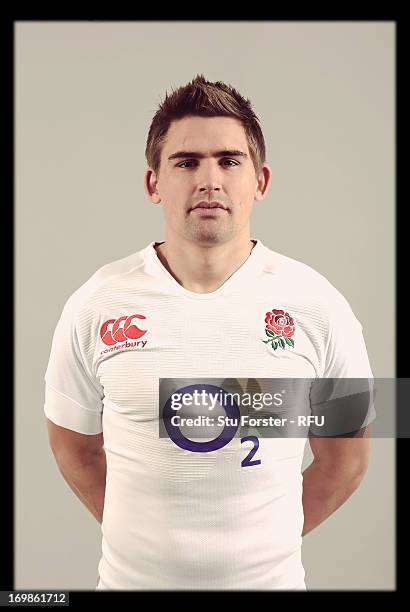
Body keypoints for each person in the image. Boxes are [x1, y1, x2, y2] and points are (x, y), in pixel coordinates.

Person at [44, 74, 375, 591]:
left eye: (228, 160)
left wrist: (262, 553)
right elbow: (72, 447)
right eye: (186, 162)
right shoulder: (96, 303)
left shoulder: (319, 305)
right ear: (154, 183)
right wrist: (141, 548)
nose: (209, 180)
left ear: (259, 181)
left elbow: (347, 461)